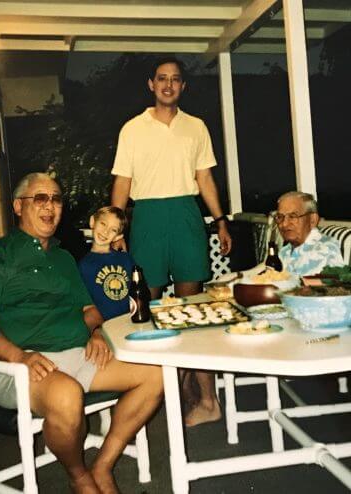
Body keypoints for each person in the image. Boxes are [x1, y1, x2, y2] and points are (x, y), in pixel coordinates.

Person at [0, 173, 164, 494]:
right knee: (66, 395)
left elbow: (89, 311)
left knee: (156, 374)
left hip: (76, 355)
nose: (50, 206)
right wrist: (20, 356)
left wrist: (97, 334)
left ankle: (103, 465)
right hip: (20, 366)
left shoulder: (63, 258)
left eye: (56, 199)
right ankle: (80, 477)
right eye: (40, 198)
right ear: (19, 206)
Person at [110, 56, 232, 427]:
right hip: (146, 216)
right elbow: (122, 183)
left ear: (183, 86)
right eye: (162, 79)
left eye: (175, 79)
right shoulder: (132, 128)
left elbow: (205, 179)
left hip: (186, 215)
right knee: (144, 306)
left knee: (190, 306)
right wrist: (116, 228)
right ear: (151, 84)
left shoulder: (196, 127)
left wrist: (221, 221)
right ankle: (153, 391)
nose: (168, 85)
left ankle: (205, 399)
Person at [78, 206, 134, 320]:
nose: (106, 231)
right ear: (93, 222)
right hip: (103, 327)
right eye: (103, 224)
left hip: (128, 322)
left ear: (118, 236)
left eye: (113, 230)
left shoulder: (126, 259)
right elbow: (84, 305)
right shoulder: (83, 265)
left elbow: (138, 291)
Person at [274, 191, 343, 275]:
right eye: (280, 217)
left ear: (312, 220)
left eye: (293, 216)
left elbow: (333, 285)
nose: (284, 224)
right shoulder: (285, 251)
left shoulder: (325, 250)